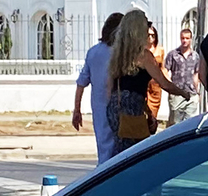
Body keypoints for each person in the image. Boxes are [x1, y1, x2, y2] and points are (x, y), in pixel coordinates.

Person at [104, 9, 165, 151]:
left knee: (122, 150)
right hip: (132, 108)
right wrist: (184, 93)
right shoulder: (144, 56)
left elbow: (109, 86)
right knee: (137, 152)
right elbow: (162, 82)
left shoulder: (119, 54)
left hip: (116, 105)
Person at [73, 12, 123, 160]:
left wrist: (77, 109)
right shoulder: (120, 53)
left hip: (99, 107)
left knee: (103, 147)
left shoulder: (93, 52)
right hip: (119, 106)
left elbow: (81, 83)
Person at [160, 22, 201, 125]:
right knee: (175, 124)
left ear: (191, 39)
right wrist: (170, 84)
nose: (185, 41)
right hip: (176, 94)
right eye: (183, 38)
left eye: (187, 38)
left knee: (190, 124)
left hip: (191, 94)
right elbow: (165, 69)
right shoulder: (173, 55)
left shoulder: (195, 56)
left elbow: (196, 74)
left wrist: (197, 92)